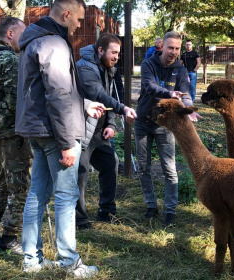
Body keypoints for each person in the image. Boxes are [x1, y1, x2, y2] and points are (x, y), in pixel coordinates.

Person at [16, 0, 106, 276]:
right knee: (66, 197)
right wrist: (68, 142)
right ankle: (70, 263)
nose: (80, 25)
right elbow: (57, 94)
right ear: (66, 14)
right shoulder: (53, 43)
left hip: (38, 130)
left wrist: (84, 104)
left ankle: (31, 260)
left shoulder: (34, 40)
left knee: (37, 194)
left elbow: (49, 92)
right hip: (56, 133)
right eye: (79, 19)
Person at [135, 31, 201, 227]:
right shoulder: (148, 64)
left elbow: (186, 93)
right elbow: (150, 87)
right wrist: (170, 93)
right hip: (143, 121)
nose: (173, 52)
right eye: (170, 47)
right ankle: (151, 206)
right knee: (143, 167)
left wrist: (188, 109)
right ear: (162, 46)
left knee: (169, 168)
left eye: (177, 49)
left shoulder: (180, 70)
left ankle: (170, 211)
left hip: (166, 124)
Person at [75, 34, 137, 229]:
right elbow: (98, 94)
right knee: (81, 174)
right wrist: (123, 109)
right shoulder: (85, 67)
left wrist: (110, 124)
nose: (117, 57)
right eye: (114, 52)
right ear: (100, 50)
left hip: (100, 130)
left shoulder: (107, 68)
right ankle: (80, 219)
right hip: (81, 128)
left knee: (111, 163)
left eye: (118, 53)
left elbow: (109, 96)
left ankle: (106, 211)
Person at [0, 17, 30, 255]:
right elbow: (16, 100)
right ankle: (9, 237)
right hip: (9, 132)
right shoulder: (10, 60)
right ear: (11, 33)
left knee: (0, 182)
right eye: (22, 33)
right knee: (20, 186)